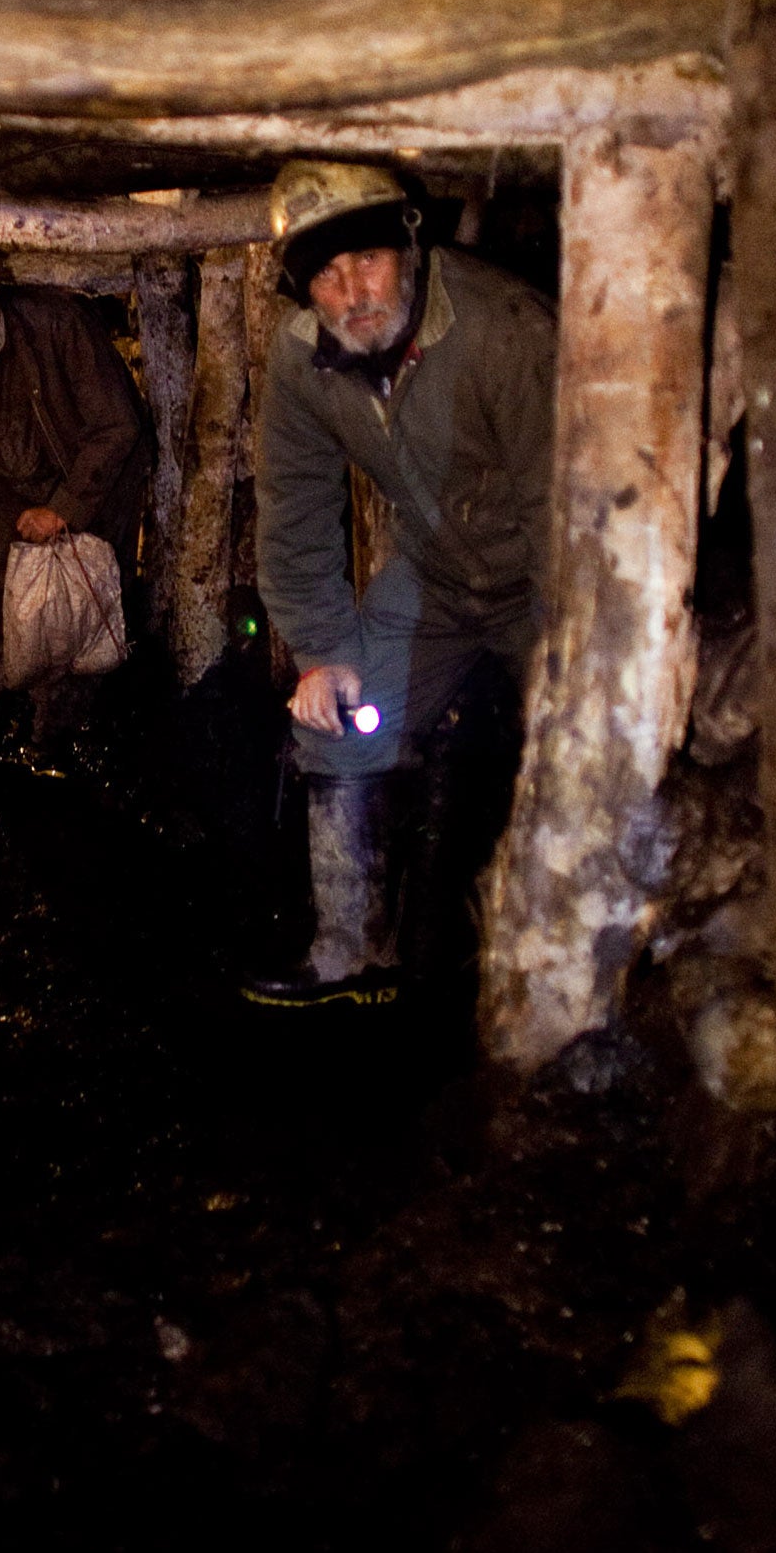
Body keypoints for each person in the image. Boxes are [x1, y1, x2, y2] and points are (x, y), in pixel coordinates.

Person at [243, 163, 558, 1007]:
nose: (352, 293)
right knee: (338, 719)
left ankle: (586, 965)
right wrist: (321, 651)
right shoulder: (303, 357)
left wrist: (569, 657)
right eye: (325, 275)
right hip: (437, 578)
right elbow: (295, 508)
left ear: (410, 247)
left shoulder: (507, 332)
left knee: (581, 744)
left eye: (368, 261)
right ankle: (353, 949)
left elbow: (566, 510)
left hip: (545, 576)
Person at [0, 242, 149, 759]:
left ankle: (53, 739)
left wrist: (63, 509)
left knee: (70, 608)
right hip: (12, 486)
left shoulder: (58, 325)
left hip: (87, 479)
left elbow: (117, 427)